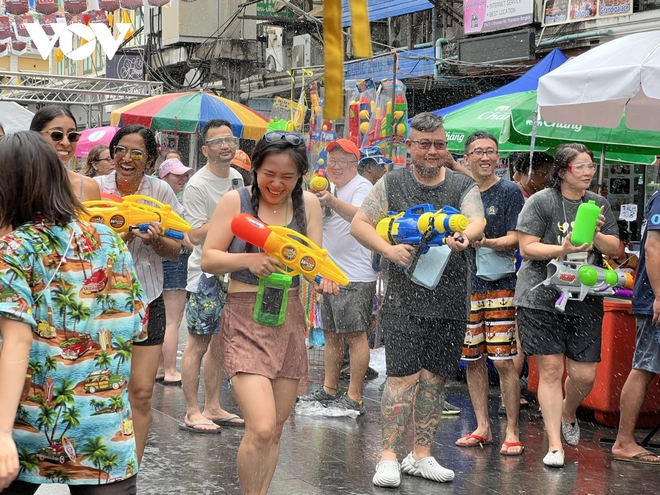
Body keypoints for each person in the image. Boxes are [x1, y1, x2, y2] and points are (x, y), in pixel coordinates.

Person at [0, 131, 147, 494]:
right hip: (107, 443)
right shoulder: (110, 241)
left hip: (25, 438)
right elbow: (138, 325)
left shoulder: (15, 247)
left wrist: (1, 433)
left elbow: (16, 341)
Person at [351, 112, 485, 488]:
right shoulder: (393, 183)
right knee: (402, 377)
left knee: (435, 379)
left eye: (439, 145)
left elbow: (476, 221)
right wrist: (388, 250)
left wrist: (467, 237)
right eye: (424, 144)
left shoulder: (461, 184)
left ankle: (421, 454)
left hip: (451, 298)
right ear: (409, 147)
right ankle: (389, 456)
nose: (432, 151)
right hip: (403, 299)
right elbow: (360, 224)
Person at [201, 130, 337, 494]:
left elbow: (314, 262)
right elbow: (209, 258)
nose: (277, 183)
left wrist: (325, 279)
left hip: (289, 318)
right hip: (245, 316)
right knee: (260, 426)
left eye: (288, 176)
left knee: (276, 428)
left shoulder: (308, 205)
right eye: (269, 174)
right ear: (255, 169)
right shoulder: (236, 201)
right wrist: (252, 259)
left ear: (300, 176)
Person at [514, 143, 620, 467]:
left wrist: (597, 236)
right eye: (581, 167)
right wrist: (561, 248)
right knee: (549, 369)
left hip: (584, 297)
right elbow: (527, 248)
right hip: (541, 295)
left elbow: (616, 248)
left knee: (585, 375)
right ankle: (555, 445)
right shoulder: (540, 202)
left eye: (591, 167)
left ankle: (568, 411)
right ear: (562, 172)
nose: (589, 172)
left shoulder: (598, 204)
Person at [94, 124, 183, 464]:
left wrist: (157, 240)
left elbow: (177, 249)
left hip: (147, 298)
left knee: (142, 393)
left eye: (136, 153)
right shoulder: (94, 189)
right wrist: (122, 238)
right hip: (101, 302)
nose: (126, 158)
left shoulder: (160, 192)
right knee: (102, 388)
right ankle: (99, 461)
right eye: (120, 150)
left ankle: (132, 468)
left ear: (149, 160)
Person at [454, 131, 526, 455]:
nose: (485, 157)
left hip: (500, 285)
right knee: (472, 360)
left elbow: (517, 239)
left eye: (491, 151)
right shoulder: (461, 192)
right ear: (466, 158)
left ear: (498, 157)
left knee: (504, 361)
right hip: (466, 286)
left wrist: (486, 242)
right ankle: (482, 427)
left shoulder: (509, 191)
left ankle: (511, 430)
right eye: (478, 151)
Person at [298, 139, 377, 414]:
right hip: (328, 273)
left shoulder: (362, 186)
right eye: (333, 161)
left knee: (355, 335)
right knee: (331, 333)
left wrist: (331, 200)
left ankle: (354, 395)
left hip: (355, 275)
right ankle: (330, 389)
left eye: (344, 161)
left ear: (356, 165)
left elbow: (362, 216)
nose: (337, 166)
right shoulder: (327, 188)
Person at [179, 119, 245, 433]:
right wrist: (227, 216)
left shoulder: (237, 176)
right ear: (205, 149)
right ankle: (192, 411)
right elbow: (192, 236)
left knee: (220, 343)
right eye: (217, 141)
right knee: (198, 344)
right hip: (204, 274)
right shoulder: (197, 185)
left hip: (232, 271)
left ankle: (214, 406)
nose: (225, 145)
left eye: (229, 139)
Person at [610, 194, 660, 464]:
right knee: (645, 366)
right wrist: (659, 296)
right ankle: (624, 441)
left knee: (646, 366)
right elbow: (653, 247)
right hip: (654, 301)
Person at [156, 158, 195, 386]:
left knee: (162, 319)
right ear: (164, 177)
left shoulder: (157, 200)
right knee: (172, 321)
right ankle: (170, 369)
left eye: (184, 175)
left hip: (159, 261)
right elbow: (182, 236)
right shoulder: (172, 205)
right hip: (174, 260)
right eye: (176, 175)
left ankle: (161, 367)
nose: (182, 179)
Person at [29, 106, 101, 201]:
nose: (66, 143)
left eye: (72, 136)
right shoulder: (17, 183)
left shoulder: (88, 186)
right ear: (35, 136)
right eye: (57, 134)